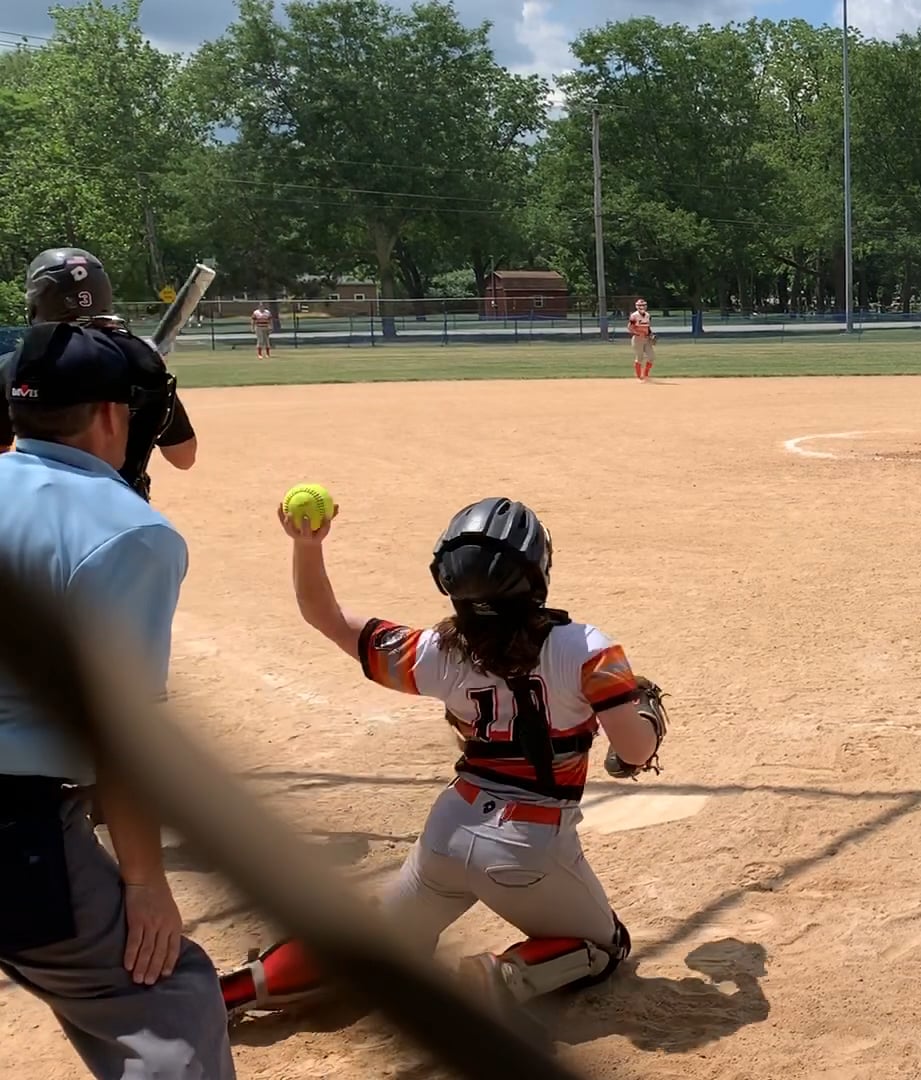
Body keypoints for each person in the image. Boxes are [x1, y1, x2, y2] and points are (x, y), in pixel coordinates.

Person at [220, 497, 669, 1018]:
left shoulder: (438, 650)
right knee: (605, 946)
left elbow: (327, 617)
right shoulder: (586, 648)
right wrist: (646, 716)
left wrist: (306, 545)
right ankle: (493, 980)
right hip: (527, 847)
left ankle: (235, 990)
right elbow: (634, 751)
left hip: (447, 833)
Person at [0, 316, 236, 1079]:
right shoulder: (129, 532)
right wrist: (145, 882)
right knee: (170, 996)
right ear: (110, 417)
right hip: (16, 832)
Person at [1, 250, 199, 494]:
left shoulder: (17, 365)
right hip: (122, 507)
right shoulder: (141, 364)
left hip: (35, 508)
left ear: (38, 301)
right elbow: (183, 456)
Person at [627, 298, 655, 381]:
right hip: (637, 339)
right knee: (639, 358)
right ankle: (639, 377)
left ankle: (646, 374)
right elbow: (630, 327)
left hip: (646, 338)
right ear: (637, 306)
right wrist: (637, 333)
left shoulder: (648, 315)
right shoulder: (634, 316)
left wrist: (651, 334)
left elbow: (648, 327)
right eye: (640, 305)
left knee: (651, 357)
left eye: (643, 305)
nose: (642, 307)